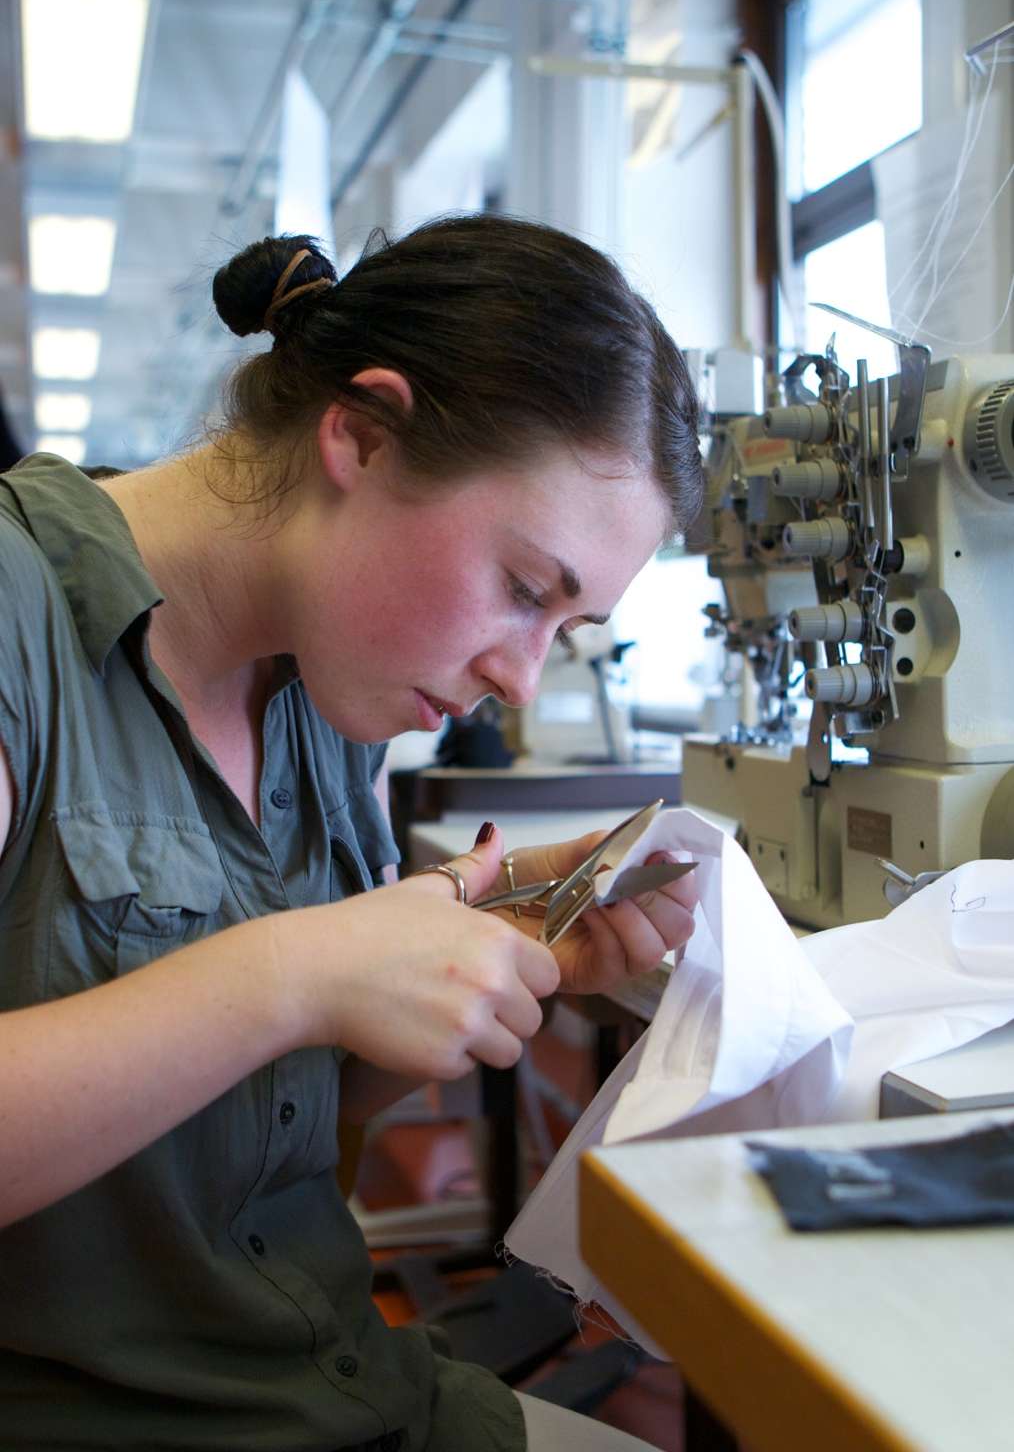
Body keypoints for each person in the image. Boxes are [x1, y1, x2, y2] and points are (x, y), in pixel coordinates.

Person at [0, 214, 703, 1451]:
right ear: (362, 435)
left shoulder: (336, 691)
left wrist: (461, 963)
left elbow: (294, 1126)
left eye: (568, 628)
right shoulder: (19, 620)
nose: (524, 678)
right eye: (525, 589)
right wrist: (294, 972)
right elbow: (276, 1001)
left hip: (348, 1391)